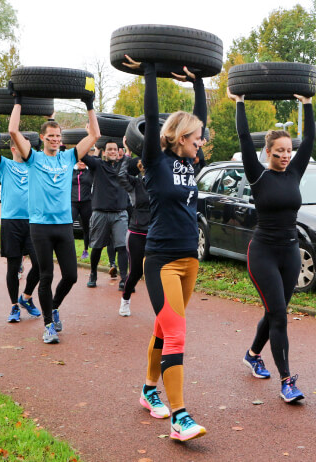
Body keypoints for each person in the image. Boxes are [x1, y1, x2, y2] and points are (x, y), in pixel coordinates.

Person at [122, 55, 207, 442]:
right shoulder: (155, 160)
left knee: (162, 328)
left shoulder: (194, 161)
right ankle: (180, 416)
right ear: (179, 138)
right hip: (160, 260)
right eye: (195, 137)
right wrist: (150, 71)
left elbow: (199, 116)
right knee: (176, 335)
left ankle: (147, 388)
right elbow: (152, 115)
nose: (200, 142)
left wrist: (198, 83)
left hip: (190, 260)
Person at [229, 87, 315, 404]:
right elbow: (242, 138)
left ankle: (253, 354)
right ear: (267, 153)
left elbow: (309, 142)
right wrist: (240, 102)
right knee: (279, 315)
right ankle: (286, 382)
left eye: (287, 150)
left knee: (275, 311)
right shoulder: (257, 175)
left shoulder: (295, 171)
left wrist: (307, 104)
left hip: (290, 254)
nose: (284, 155)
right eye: (278, 150)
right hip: (262, 252)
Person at [8, 82, 100, 344]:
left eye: (58, 136)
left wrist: (89, 104)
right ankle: (48, 325)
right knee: (46, 276)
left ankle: (54, 307)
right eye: (51, 136)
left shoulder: (69, 158)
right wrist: (18, 98)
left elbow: (95, 135)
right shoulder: (34, 158)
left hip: (63, 226)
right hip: (40, 226)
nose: (56, 139)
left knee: (71, 275)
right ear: (43, 138)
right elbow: (13, 130)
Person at [0, 104, 43, 322]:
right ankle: (14, 306)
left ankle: (26, 296)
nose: (24, 146)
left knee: (40, 264)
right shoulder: (5, 165)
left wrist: (49, 119)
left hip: (34, 222)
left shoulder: (36, 166)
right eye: (19, 143)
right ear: (13, 148)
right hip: (11, 222)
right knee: (13, 265)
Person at [84, 140, 129, 289]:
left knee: (122, 246)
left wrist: (130, 145)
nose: (112, 151)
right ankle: (93, 273)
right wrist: (92, 137)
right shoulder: (98, 165)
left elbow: (142, 159)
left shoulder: (124, 166)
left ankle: (124, 278)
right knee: (96, 247)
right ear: (104, 152)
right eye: (109, 149)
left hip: (120, 214)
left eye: (115, 149)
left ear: (118, 152)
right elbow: (82, 155)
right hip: (100, 213)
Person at [117, 152, 150, 317]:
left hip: (157, 233)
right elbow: (121, 175)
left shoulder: (161, 184)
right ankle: (125, 299)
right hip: (137, 233)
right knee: (137, 271)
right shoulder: (135, 184)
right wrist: (126, 155)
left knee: (160, 271)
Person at [71, 160, 93, 260]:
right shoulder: (71, 171)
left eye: (84, 161)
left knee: (86, 227)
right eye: (80, 161)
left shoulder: (90, 172)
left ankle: (85, 250)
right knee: (68, 224)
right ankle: (69, 249)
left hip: (86, 202)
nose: (82, 162)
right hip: (73, 202)